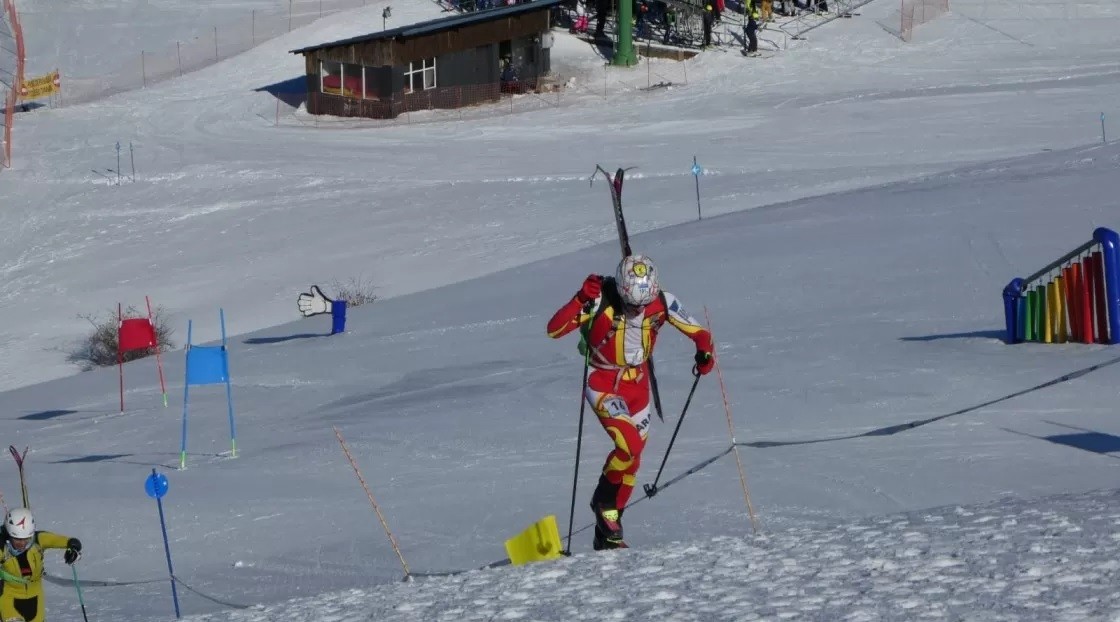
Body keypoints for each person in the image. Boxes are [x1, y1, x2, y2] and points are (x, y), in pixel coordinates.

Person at [547, 255, 715, 550]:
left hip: (638, 386)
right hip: (603, 381)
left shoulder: (661, 301)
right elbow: (554, 329)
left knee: (633, 461)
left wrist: (704, 353)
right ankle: (603, 502)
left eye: (642, 305)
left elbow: (700, 333)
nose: (637, 311)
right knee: (629, 446)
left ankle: (608, 535)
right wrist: (579, 298)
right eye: (631, 305)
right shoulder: (600, 299)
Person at [0, 508, 82, 622]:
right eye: (17, 539)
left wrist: (73, 550)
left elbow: (67, 541)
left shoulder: (38, 540)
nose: (22, 544)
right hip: (9, 598)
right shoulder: (2, 548)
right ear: (9, 535)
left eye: (26, 539)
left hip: (36, 598)